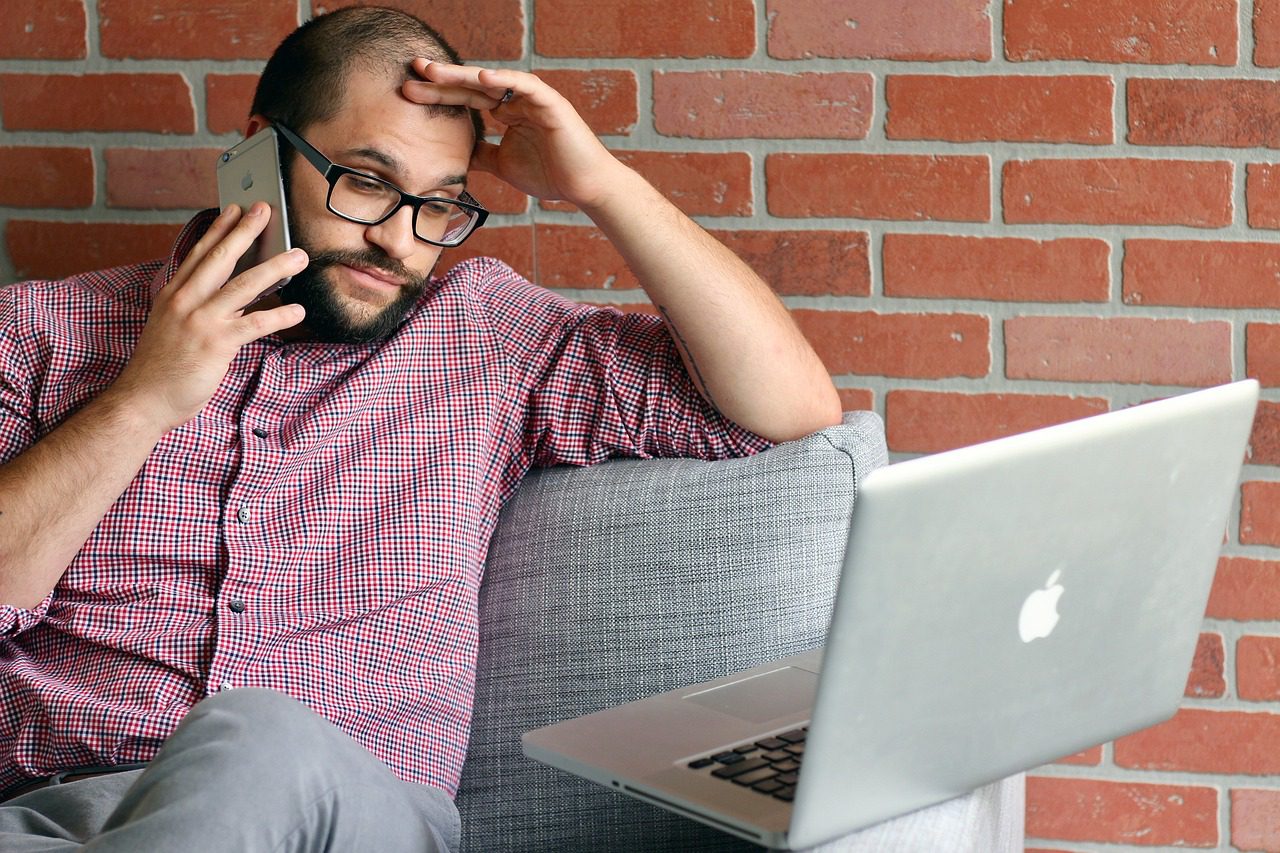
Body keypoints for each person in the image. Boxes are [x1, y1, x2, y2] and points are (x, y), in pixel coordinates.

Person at [0, 6, 840, 851]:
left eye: (439, 206)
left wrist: (601, 184)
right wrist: (142, 400)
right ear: (260, 151)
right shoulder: (41, 333)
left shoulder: (486, 339)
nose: (399, 241)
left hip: (344, 816)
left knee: (254, 737)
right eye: (365, 182)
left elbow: (787, 406)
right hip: (43, 816)